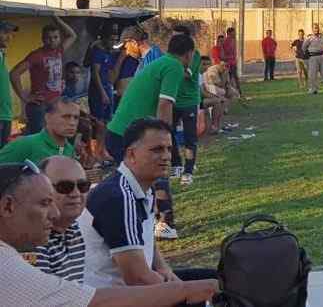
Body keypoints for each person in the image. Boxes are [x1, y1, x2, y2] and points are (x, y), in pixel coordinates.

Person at [0, 160, 221, 306]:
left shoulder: (73, 229)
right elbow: (102, 297)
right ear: (7, 207)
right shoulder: (7, 264)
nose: (55, 212)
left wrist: (170, 275)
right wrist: (184, 290)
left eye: (83, 186)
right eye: (44, 203)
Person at [79, 118, 219, 304]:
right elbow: (137, 278)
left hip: (136, 288)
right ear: (131, 154)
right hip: (115, 297)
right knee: (213, 291)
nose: (166, 156)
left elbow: (146, 239)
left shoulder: (142, 185)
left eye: (168, 149)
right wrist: (182, 291)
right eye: (157, 150)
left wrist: (164, 268)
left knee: (219, 279)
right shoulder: (118, 198)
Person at [104, 34, 195, 241]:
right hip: (127, 135)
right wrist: (164, 138)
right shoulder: (174, 67)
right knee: (155, 173)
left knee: (139, 178)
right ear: (189, 54)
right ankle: (164, 222)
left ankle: (147, 219)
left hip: (119, 132)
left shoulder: (162, 63)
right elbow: (165, 104)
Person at [10, 16, 77, 135]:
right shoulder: (37, 55)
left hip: (55, 103)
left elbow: (72, 35)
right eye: (48, 38)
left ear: (59, 38)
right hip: (40, 106)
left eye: (55, 37)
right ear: (42, 39)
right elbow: (14, 73)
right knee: (38, 139)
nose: (52, 41)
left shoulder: (59, 51)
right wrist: (24, 97)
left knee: (54, 137)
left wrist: (56, 18)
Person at [32, 156, 88, 282]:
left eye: (82, 186)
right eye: (65, 187)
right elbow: (41, 292)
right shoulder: (33, 236)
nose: (76, 193)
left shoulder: (73, 227)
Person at [0, 98, 79, 164]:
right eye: (66, 117)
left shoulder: (70, 151)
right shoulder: (25, 144)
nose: (72, 123)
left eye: (76, 118)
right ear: (48, 117)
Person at [169, 25, 201, 187]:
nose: (174, 40)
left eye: (178, 36)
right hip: (173, 100)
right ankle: (176, 164)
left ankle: (188, 171)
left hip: (189, 101)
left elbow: (186, 74)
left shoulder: (194, 55)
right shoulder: (170, 56)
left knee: (190, 138)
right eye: (173, 36)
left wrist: (168, 70)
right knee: (169, 133)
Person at [86, 32, 115, 126]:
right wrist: (103, 93)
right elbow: (95, 73)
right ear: (104, 39)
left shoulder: (109, 53)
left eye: (115, 40)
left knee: (108, 119)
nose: (113, 42)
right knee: (98, 121)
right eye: (111, 40)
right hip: (98, 91)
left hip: (107, 88)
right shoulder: (98, 52)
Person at [0, 20, 19, 147]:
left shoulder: (2, 55)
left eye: (11, 34)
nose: (9, 37)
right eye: (5, 33)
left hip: (5, 114)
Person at [222, 28, 241, 95]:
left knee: (235, 77)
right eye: (233, 32)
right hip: (229, 63)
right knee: (230, 78)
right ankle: (231, 92)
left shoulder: (233, 40)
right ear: (229, 33)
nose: (235, 33)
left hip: (233, 62)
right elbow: (225, 52)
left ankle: (237, 91)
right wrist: (229, 58)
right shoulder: (226, 41)